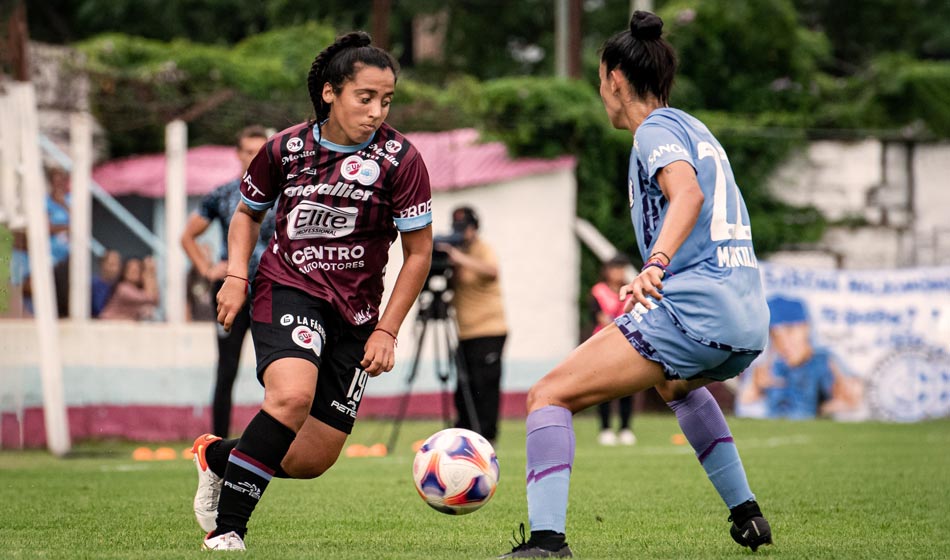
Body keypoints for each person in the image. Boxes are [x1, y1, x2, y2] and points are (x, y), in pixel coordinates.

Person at [500, 12, 773, 557]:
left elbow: (687, 195)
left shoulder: (654, 131)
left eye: (600, 79)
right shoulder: (694, 126)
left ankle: (547, 543)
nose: (600, 91)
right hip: (746, 318)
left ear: (616, 80)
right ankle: (748, 516)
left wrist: (655, 263)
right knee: (676, 386)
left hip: (698, 309)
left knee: (547, 395)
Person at [190, 31, 432, 551]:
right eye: (364, 97)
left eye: (385, 100)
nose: (375, 111)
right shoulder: (286, 147)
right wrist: (236, 276)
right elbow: (246, 215)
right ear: (330, 92)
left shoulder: (401, 160)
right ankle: (228, 529)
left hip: (358, 314)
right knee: (291, 397)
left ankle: (215, 458)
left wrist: (386, 329)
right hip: (288, 289)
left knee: (310, 459)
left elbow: (419, 254)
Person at [181, 125, 273, 437]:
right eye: (248, 151)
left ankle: (276, 441)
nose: (254, 157)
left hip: (271, 290)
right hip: (231, 288)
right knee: (227, 369)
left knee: (278, 369)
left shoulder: (284, 194)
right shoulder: (222, 194)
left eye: (260, 151)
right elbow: (188, 236)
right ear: (238, 154)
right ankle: (215, 444)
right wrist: (208, 269)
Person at [436, 206, 508, 443]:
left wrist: (459, 258)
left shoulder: (481, 249)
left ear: (474, 229)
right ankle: (464, 433)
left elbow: (492, 271)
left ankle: (486, 436)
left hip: (489, 330)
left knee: (484, 385)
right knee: (464, 386)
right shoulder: (456, 250)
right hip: (464, 332)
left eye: (465, 228)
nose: (462, 233)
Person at [738, 295, 862, 419]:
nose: (784, 342)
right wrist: (755, 386)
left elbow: (850, 401)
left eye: (790, 330)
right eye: (775, 335)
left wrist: (824, 408)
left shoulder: (824, 362)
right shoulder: (770, 367)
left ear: (806, 327)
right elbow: (743, 409)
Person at [590, 256, 636, 446]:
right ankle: (606, 428)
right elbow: (599, 317)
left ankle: (625, 428)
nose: (618, 273)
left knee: (628, 386)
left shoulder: (632, 289)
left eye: (621, 268)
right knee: (604, 387)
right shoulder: (598, 291)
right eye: (615, 268)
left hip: (627, 343)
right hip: (603, 344)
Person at [98, 256, 159, 320]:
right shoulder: (123, 288)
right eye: (132, 270)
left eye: (138, 269)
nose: (135, 271)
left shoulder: (137, 289)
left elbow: (154, 302)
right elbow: (151, 298)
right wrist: (150, 272)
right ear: (124, 272)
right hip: (108, 325)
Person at [91, 249, 122, 318]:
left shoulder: (121, 287)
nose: (115, 269)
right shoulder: (92, 284)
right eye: (112, 264)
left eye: (117, 264)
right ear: (102, 264)